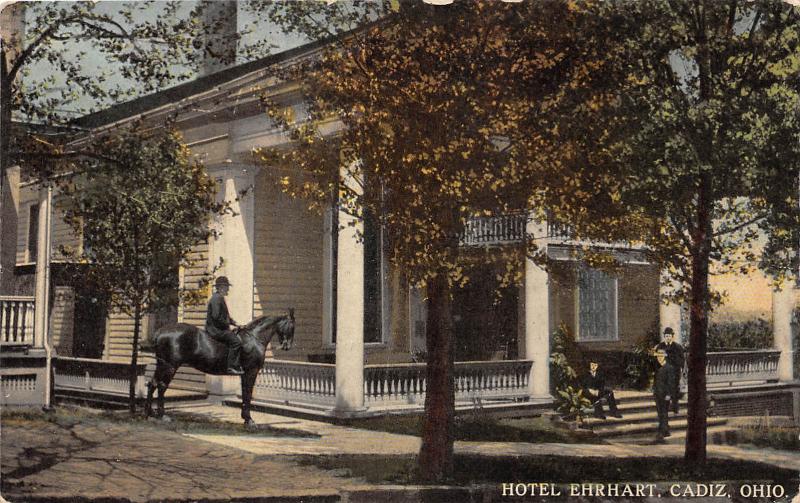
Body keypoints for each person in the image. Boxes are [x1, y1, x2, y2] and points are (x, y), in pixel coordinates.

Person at [205, 276, 243, 375]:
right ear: (221, 287)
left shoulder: (218, 298)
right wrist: (228, 324)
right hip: (215, 330)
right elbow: (216, 317)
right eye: (227, 287)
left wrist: (234, 323)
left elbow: (224, 316)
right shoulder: (217, 299)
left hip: (217, 328)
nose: (228, 290)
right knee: (236, 342)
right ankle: (231, 366)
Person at [654, 327, 685, 413]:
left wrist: (679, 368)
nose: (668, 337)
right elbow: (657, 359)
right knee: (665, 389)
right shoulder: (660, 346)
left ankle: (675, 407)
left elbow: (681, 360)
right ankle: (666, 407)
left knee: (674, 389)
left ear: (672, 336)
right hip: (664, 372)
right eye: (666, 336)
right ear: (664, 336)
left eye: (669, 336)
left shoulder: (677, 347)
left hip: (675, 371)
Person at [652, 349, 676, 443]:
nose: (659, 358)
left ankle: (663, 431)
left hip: (665, 394)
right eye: (658, 356)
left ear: (665, 356)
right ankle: (664, 430)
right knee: (660, 412)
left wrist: (669, 394)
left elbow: (671, 383)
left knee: (664, 412)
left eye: (661, 356)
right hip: (658, 393)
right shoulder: (658, 367)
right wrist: (654, 389)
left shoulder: (669, 368)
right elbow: (656, 380)